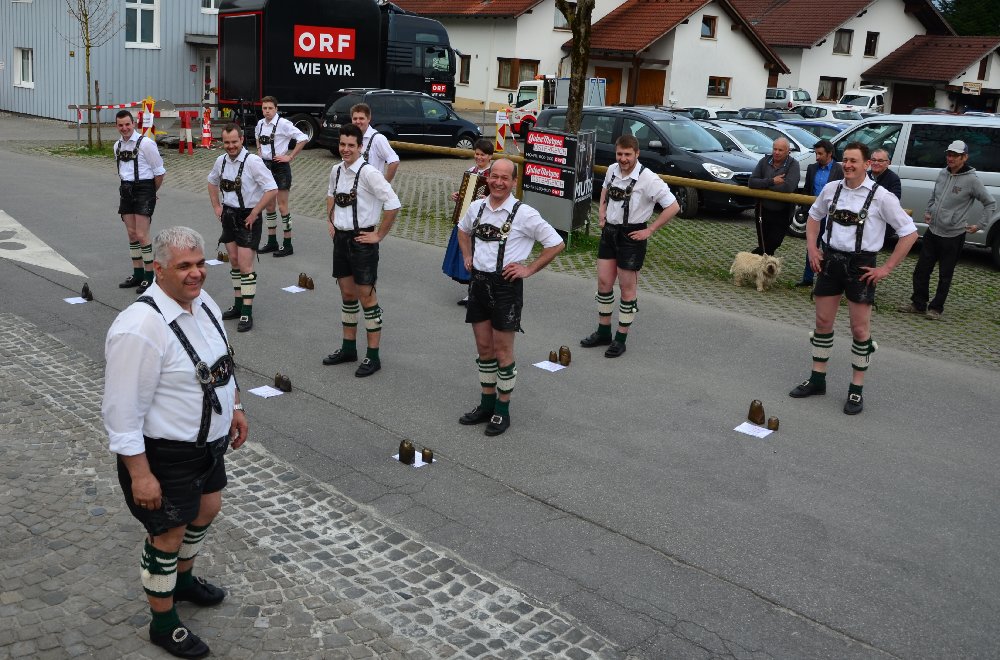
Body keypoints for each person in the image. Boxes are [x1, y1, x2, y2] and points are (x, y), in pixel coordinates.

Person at [102, 226, 248, 659]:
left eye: (200, 263)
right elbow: (121, 412)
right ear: (159, 269)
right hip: (166, 452)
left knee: (208, 508)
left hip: (208, 445)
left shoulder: (203, 303)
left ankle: (182, 582)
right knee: (168, 534)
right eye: (184, 266)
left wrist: (236, 406)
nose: (196, 273)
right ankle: (163, 624)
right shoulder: (139, 327)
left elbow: (221, 363)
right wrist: (140, 475)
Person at [789, 142, 918, 415]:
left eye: (854, 161)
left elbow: (909, 233)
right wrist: (812, 248)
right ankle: (817, 379)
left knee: (860, 330)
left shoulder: (881, 196)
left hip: (861, 266)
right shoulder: (831, 189)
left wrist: (886, 269)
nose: (848, 165)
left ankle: (856, 389)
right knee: (823, 322)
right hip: (830, 261)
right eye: (845, 160)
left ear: (867, 164)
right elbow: (813, 217)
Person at [456, 159, 565, 436]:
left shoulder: (524, 214)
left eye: (505, 178)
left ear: (514, 182)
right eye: (494, 176)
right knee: (484, 349)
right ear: (488, 177)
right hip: (478, 285)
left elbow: (556, 243)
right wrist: (467, 256)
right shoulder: (477, 207)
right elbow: (462, 230)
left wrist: (529, 269)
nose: (498, 182)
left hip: (505, 287)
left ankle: (502, 411)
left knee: (503, 351)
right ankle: (486, 405)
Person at [579, 135, 679, 357]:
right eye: (619, 154)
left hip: (632, 236)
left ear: (637, 154)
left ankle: (620, 339)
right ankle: (603, 331)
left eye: (627, 154)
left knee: (627, 289)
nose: (623, 159)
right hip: (609, 233)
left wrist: (649, 230)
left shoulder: (649, 178)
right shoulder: (612, 170)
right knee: (604, 283)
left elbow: (673, 206)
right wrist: (602, 211)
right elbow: (605, 189)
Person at [322, 123, 401, 377]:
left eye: (351, 145)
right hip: (341, 239)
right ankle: (348, 348)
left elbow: (393, 204)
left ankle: (373, 356)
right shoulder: (336, 170)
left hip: (362, 240)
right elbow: (331, 194)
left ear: (360, 147)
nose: (345, 149)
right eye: (342, 144)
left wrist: (378, 235)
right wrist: (331, 219)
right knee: (347, 294)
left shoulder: (369, 173)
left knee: (366, 297)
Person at [899, 140, 996, 320]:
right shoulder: (943, 173)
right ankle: (918, 304)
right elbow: (934, 195)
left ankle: (936, 308)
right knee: (921, 270)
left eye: (955, 155)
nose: (950, 158)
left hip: (953, 235)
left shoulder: (972, 180)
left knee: (945, 275)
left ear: (964, 157)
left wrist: (980, 225)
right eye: (949, 154)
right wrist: (929, 211)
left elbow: (990, 203)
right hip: (933, 231)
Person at [207, 124, 278, 333]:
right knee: (234, 261)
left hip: (248, 217)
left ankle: (247, 311)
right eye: (226, 142)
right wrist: (216, 206)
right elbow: (211, 182)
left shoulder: (253, 161)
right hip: (229, 214)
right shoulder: (220, 161)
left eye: (234, 142)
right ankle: (238, 305)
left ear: (242, 140)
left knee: (246, 265)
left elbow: (272, 189)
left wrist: (255, 212)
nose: (231, 146)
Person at [113, 110, 166, 294]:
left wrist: (151, 192)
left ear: (133, 123)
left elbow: (159, 172)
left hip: (144, 188)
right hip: (126, 189)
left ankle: (149, 276)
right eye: (121, 125)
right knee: (132, 234)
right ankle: (137, 273)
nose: (124, 128)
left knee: (142, 235)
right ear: (116, 126)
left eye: (127, 124)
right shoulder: (117, 146)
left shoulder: (146, 144)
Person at [254, 96, 308, 257]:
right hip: (265, 167)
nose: (267, 111)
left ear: (276, 109)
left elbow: (303, 138)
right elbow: (257, 137)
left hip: (280, 167)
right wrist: (259, 151)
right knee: (269, 206)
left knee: (283, 206)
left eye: (270, 108)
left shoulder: (283, 124)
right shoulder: (260, 124)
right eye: (264, 108)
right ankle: (272, 242)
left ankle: (287, 244)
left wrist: (290, 156)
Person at [444, 138, 494, 305]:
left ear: (490, 156)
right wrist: (457, 196)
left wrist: (487, 199)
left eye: (483, 155)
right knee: (467, 257)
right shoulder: (471, 171)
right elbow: (466, 194)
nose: (479, 157)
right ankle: (472, 293)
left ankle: (481, 295)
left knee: (479, 258)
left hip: (483, 223)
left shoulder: (492, 175)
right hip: (466, 220)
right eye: (477, 154)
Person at [796, 139, 844, 287]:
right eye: (816, 154)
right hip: (815, 214)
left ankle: (827, 279)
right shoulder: (812, 168)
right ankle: (808, 278)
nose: (817, 157)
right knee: (812, 246)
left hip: (831, 215)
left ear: (829, 154)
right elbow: (807, 189)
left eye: (820, 154)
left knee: (828, 247)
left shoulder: (839, 170)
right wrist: (805, 209)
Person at [748, 137, 800, 255]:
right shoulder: (764, 161)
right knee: (764, 244)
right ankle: (762, 266)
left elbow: (788, 187)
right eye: (775, 149)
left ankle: (747, 259)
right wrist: (772, 181)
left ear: (788, 151)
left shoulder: (793, 165)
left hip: (782, 212)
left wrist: (763, 185)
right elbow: (751, 182)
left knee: (774, 242)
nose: (776, 152)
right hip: (763, 210)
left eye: (780, 150)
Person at [352, 102, 400, 182]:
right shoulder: (351, 137)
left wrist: (384, 184)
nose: (358, 121)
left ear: (369, 119)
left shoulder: (378, 139)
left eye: (361, 118)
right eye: (355, 118)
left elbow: (394, 161)